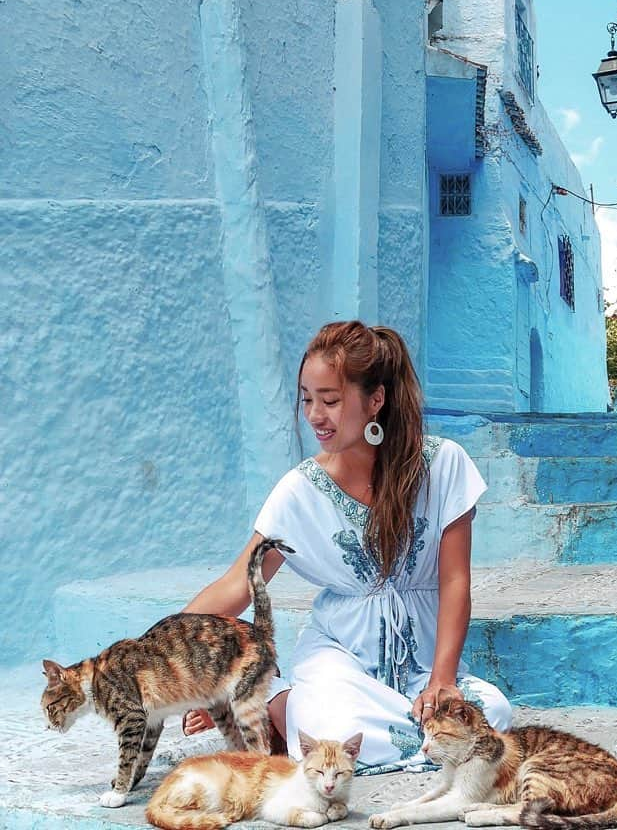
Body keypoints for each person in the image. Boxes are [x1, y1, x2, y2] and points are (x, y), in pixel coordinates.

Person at [181, 321, 512, 772]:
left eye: (331, 400)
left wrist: (443, 679)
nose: (315, 414)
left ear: (375, 400)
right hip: (339, 656)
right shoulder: (300, 491)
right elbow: (238, 583)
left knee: (491, 715)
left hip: (421, 663)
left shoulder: (443, 465)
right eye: (307, 399)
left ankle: (312, 722)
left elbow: (455, 580)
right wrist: (162, 657)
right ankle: (275, 698)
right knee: (337, 732)